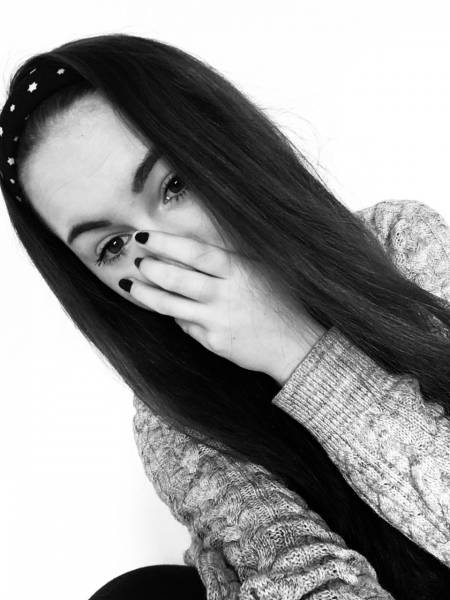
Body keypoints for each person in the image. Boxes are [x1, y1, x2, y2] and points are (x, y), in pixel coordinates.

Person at [1, 33, 449, 599]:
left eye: (175, 185)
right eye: (112, 246)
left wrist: (294, 348)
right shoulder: (172, 417)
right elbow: (306, 582)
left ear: (222, 149)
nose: (166, 251)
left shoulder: (400, 244)